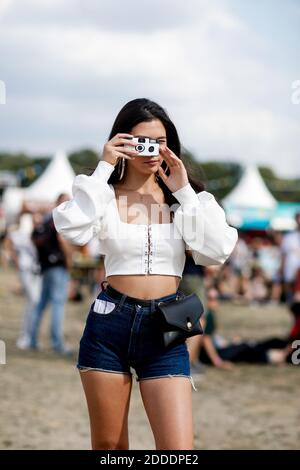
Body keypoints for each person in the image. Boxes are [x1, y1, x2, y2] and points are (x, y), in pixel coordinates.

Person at [52, 98, 238, 450]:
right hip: (110, 324)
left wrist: (183, 191)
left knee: (177, 451)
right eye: (143, 141)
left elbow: (216, 251)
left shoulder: (187, 199)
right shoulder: (103, 194)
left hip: (166, 327)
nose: (152, 150)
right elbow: (71, 229)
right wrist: (104, 168)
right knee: (110, 449)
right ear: (122, 142)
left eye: (161, 142)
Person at [30, 194, 74, 354]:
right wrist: (69, 261)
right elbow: (62, 241)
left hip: (46, 266)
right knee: (58, 304)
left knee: (42, 303)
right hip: (58, 267)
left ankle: (31, 338)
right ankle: (57, 343)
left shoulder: (47, 219)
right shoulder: (59, 219)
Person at [4, 212, 42, 349]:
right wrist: (16, 259)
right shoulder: (20, 233)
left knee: (33, 303)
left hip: (37, 271)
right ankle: (25, 336)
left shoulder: (38, 233)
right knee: (33, 300)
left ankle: (31, 336)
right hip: (26, 270)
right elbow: (8, 243)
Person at [280, 212, 300, 303]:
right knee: (290, 286)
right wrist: (282, 268)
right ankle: (290, 302)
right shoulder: (289, 237)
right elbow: (283, 254)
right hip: (291, 266)